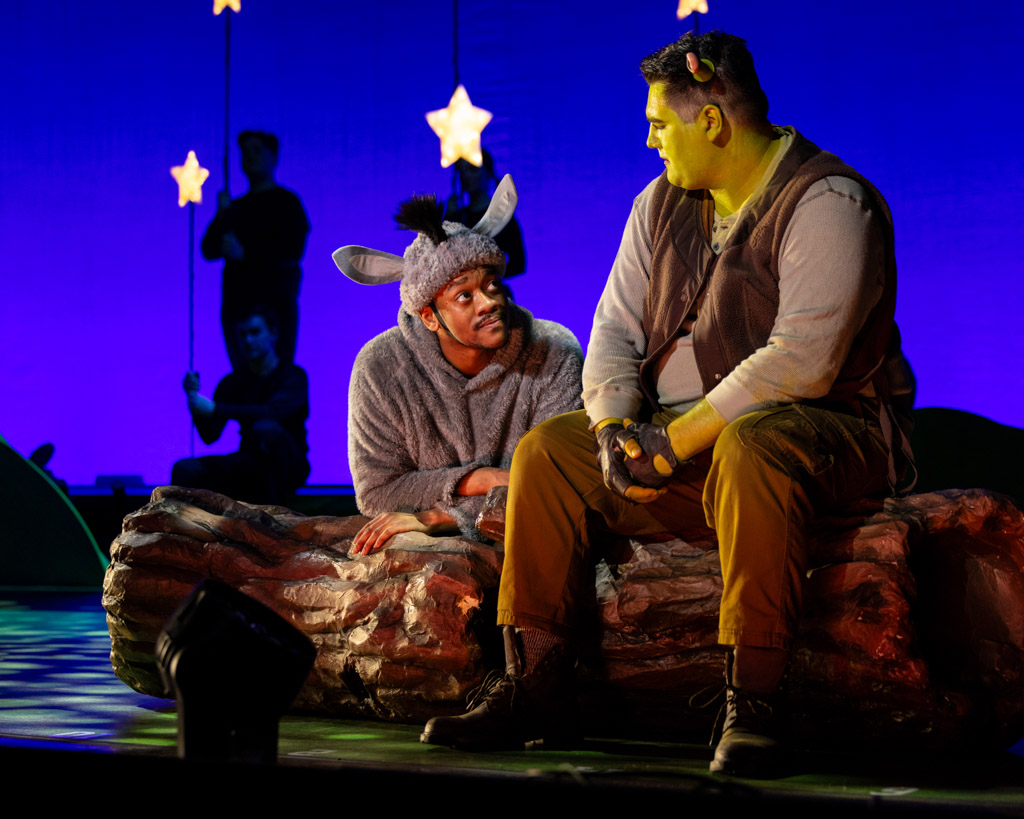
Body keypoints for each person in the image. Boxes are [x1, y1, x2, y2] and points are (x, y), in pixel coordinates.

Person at [421, 31, 914, 776]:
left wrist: (673, 443)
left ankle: (757, 700)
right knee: (550, 451)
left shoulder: (829, 202)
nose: (650, 140)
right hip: (680, 443)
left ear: (710, 121)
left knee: (752, 445)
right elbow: (615, 329)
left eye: (659, 123)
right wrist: (615, 428)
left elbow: (801, 363)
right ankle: (537, 683)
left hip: (823, 433)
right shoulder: (659, 204)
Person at [333, 175, 583, 555]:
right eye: (464, 295)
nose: (488, 302)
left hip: (537, 543)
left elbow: (557, 482)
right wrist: (481, 479)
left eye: (491, 284)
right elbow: (378, 493)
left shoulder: (553, 352)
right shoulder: (381, 368)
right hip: (422, 555)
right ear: (429, 316)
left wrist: (441, 515)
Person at [171, 306, 310, 505]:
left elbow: (272, 411)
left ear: (273, 333)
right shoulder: (233, 382)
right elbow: (210, 436)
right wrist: (195, 403)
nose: (248, 340)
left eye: (254, 332)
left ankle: (275, 516)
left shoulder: (293, 376)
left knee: (266, 429)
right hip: (249, 463)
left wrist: (215, 408)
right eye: (242, 335)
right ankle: (177, 523)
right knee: (185, 469)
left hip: (289, 466)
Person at [201, 131, 310, 370]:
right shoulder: (235, 207)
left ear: (273, 157)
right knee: (242, 375)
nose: (250, 157)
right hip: (237, 305)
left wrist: (245, 254)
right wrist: (221, 215)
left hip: (275, 305)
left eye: (257, 151)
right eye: (245, 152)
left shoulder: (287, 203)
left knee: (277, 374)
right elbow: (208, 249)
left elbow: (293, 251)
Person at [446, 150, 526, 278]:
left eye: (472, 169)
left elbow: (518, 264)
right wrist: (448, 217)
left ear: (488, 173)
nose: (466, 176)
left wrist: (487, 278)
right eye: (462, 171)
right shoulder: (456, 217)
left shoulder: (503, 218)